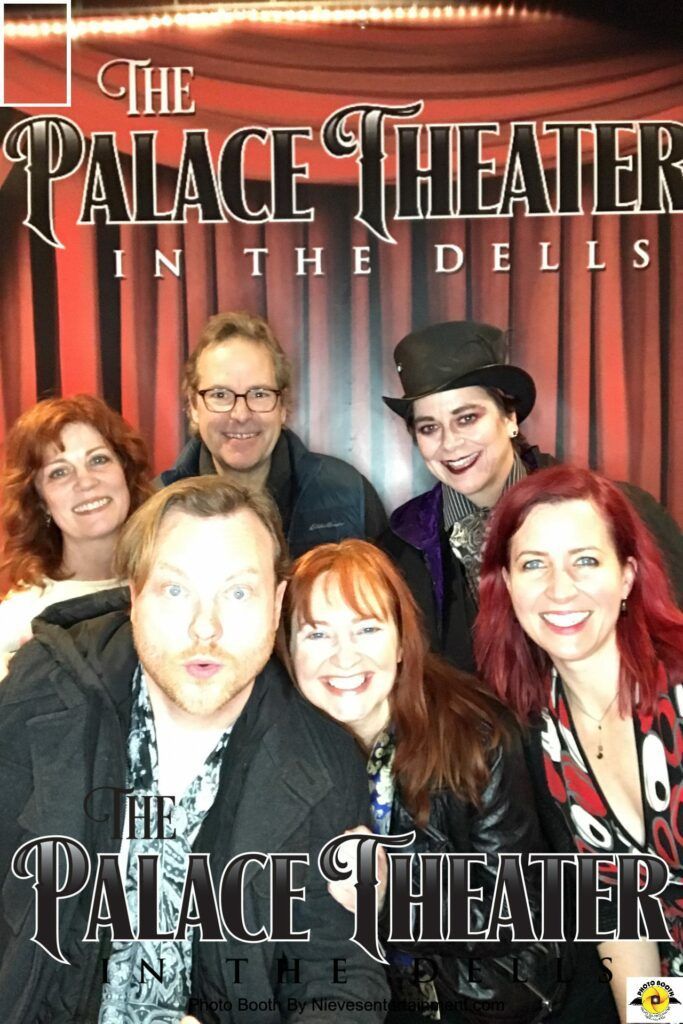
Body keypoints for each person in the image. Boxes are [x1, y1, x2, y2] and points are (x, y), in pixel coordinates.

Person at [0, 478, 388, 1024]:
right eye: (176, 590)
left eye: (237, 592)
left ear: (276, 603)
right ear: (134, 595)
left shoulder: (322, 757)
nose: (205, 627)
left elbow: (340, 976)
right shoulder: (41, 697)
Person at [282, 538, 617, 1023]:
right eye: (316, 634)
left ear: (401, 643)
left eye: (367, 628)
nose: (344, 657)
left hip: (497, 1006)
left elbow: (513, 909)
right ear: (288, 650)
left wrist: (388, 896)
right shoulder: (284, 753)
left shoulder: (475, 740)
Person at [475, 465, 683, 1018]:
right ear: (506, 584)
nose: (559, 589)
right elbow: (622, 926)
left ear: (628, 577)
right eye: (533, 565)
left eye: (585, 561)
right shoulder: (541, 735)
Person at [381, 320, 683, 674]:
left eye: (466, 418)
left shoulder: (617, 512)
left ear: (510, 417)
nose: (449, 443)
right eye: (429, 427)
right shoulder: (399, 547)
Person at [158, 311, 387, 556]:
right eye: (220, 395)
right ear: (193, 406)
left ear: (283, 407)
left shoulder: (349, 494)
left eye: (259, 394)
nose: (241, 414)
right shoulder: (156, 507)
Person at [0, 393, 152, 677]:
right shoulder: (20, 617)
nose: (86, 481)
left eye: (98, 460)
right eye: (59, 473)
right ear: (41, 501)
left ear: (125, 472)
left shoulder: (171, 581)